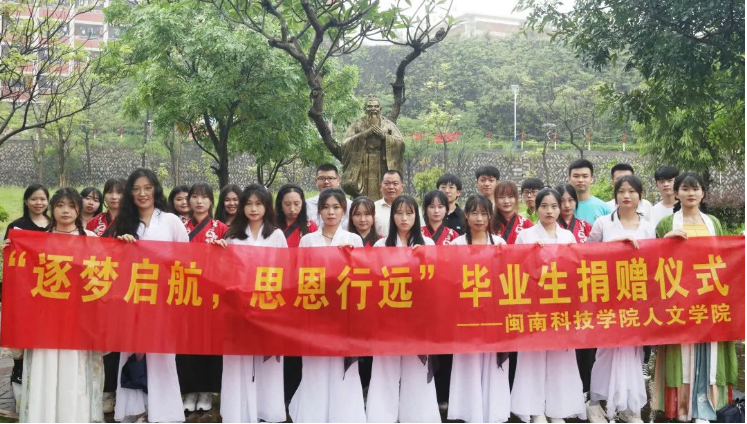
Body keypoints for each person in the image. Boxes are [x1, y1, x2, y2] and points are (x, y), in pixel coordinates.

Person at [6, 188, 104, 422]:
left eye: (71, 206)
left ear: (78, 209)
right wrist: (10, 254)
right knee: (45, 368)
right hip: (44, 318)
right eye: (60, 205)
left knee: (75, 370)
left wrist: (125, 245)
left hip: (78, 319)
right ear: (52, 209)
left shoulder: (91, 240)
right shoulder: (37, 240)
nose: (65, 211)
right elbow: (25, 280)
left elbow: (104, 277)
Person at [652, 172, 737, 422]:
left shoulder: (713, 223)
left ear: (703, 193)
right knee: (683, 352)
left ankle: (707, 406)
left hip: (710, 297)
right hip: (679, 298)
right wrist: (666, 241)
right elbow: (653, 261)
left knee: (709, 350)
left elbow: (724, 259)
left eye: (696, 188)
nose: (691, 193)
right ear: (676, 193)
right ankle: (682, 408)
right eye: (686, 189)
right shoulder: (667, 224)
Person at [110, 168, 188, 423]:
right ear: (130, 193)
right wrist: (121, 246)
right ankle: (135, 408)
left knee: (162, 354)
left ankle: (163, 411)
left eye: (147, 188)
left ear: (155, 189)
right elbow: (108, 262)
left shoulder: (171, 221)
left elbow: (187, 259)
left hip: (164, 299)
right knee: (132, 350)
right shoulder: (122, 223)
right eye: (136, 189)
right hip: (132, 298)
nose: (142, 193)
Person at [289, 188, 367, 423]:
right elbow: (299, 275)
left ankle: (344, 415)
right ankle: (313, 415)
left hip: (344, 312)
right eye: (326, 207)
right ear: (319, 211)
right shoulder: (307, 240)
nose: (331, 212)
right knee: (315, 364)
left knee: (343, 367)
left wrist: (350, 258)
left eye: (336, 207)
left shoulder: (353, 240)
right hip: (315, 310)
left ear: (344, 211)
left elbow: (362, 277)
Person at [511, 188, 586, 424]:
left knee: (560, 359)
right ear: (536, 208)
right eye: (544, 206)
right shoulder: (525, 236)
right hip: (534, 306)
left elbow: (576, 271)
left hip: (561, 306)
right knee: (532, 358)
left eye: (554, 206)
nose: (550, 211)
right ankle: (535, 409)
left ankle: (558, 409)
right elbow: (514, 270)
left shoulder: (568, 237)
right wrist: (531, 255)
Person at [213, 184, 286, 423]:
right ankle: (238, 411)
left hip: (268, 305)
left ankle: (267, 411)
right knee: (238, 360)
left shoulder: (276, 235)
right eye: (249, 204)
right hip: (238, 306)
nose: (253, 209)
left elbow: (285, 271)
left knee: (268, 361)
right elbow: (222, 272)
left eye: (259, 204)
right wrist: (217, 251)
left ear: (267, 207)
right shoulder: (231, 236)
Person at [586, 175, 653, 423]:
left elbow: (654, 260)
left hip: (635, 297)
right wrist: (614, 244)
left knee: (633, 351)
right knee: (605, 351)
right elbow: (587, 255)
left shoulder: (648, 226)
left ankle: (628, 406)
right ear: (615, 195)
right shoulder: (603, 223)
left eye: (632, 191)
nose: (626, 195)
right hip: (607, 296)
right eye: (621, 191)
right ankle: (595, 403)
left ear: (640, 195)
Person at [367, 195, 440, 423]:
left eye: (409, 213)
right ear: (392, 216)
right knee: (384, 367)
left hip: (418, 317)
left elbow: (436, 282)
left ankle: (419, 417)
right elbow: (373, 280)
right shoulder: (381, 245)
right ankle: (381, 417)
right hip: (388, 315)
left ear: (417, 216)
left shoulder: (427, 244)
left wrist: (424, 258)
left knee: (416, 368)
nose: (404, 218)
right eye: (399, 213)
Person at [448, 194, 510, 424]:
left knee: (492, 362)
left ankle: (493, 413)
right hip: (466, 312)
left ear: (490, 216)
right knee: (469, 361)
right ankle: (469, 412)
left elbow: (508, 277)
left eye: (484, 213)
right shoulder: (456, 245)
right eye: (474, 213)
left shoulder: (499, 243)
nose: (479, 218)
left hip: (493, 311)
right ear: (466, 215)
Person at [177, 183, 227, 413]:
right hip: (184, 291)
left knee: (209, 341)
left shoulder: (221, 228)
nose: (199, 201)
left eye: (204, 197)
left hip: (211, 295)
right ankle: (190, 390)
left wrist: (223, 249)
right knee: (186, 342)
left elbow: (231, 261)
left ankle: (207, 389)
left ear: (211, 201)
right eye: (195, 197)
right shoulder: (179, 226)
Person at [1, 184, 50, 406]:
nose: (38, 203)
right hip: (24, 291)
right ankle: (20, 385)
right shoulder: (17, 226)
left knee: (43, 338)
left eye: (42, 199)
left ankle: (41, 385)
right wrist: (5, 249)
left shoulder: (54, 226)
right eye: (34, 199)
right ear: (26, 201)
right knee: (23, 337)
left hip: (50, 291)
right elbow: (12, 259)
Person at [341, 95, 405, 199]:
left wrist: (384, 136)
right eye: (370, 106)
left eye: (376, 106)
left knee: (382, 191)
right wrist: (363, 135)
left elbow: (401, 144)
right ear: (365, 108)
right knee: (361, 198)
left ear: (380, 109)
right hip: (363, 164)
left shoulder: (388, 125)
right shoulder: (357, 124)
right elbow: (344, 144)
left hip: (382, 164)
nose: (373, 109)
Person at [306, 164, 350, 229]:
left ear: (338, 180)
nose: (326, 182)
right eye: (322, 178)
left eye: (330, 178)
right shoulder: (307, 205)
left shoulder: (349, 205)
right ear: (316, 181)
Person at [568, 159, 611, 225]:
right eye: (576, 176)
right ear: (569, 179)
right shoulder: (562, 207)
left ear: (591, 179)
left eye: (585, 176)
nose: (580, 180)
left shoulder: (604, 208)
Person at [276, 184, 318, 248]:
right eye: (287, 204)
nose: (292, 209)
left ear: (302, 204)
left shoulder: (310, 226)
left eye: (296, 204)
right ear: (280, 204)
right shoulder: (271, 225)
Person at [374, 170, 405, 236]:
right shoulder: (373, 208)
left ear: (402, 187)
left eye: (395, 184)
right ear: (380, 187)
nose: (391, 187)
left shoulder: (411, 208)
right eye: (387, 183)